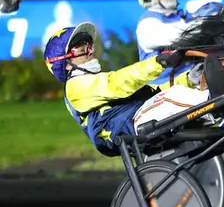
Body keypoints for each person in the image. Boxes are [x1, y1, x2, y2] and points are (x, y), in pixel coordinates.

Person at [44, 22, 205, 156]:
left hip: (134, 119)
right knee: (178, 96)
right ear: (66, 64)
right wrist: (158, 63)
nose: (91, 51)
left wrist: (189, 79)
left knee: (176, 95)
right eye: (82, 49)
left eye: (90, 46)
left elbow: (154, 92)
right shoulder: (75, 87)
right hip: (125, 129)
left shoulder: (92, 82)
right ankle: (212, 100)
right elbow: (118, 83)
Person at [135, 0, 195, 85]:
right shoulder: (147, 24)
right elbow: (184, 36)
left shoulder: (182, 15)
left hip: (192, 83)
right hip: (162, 91)